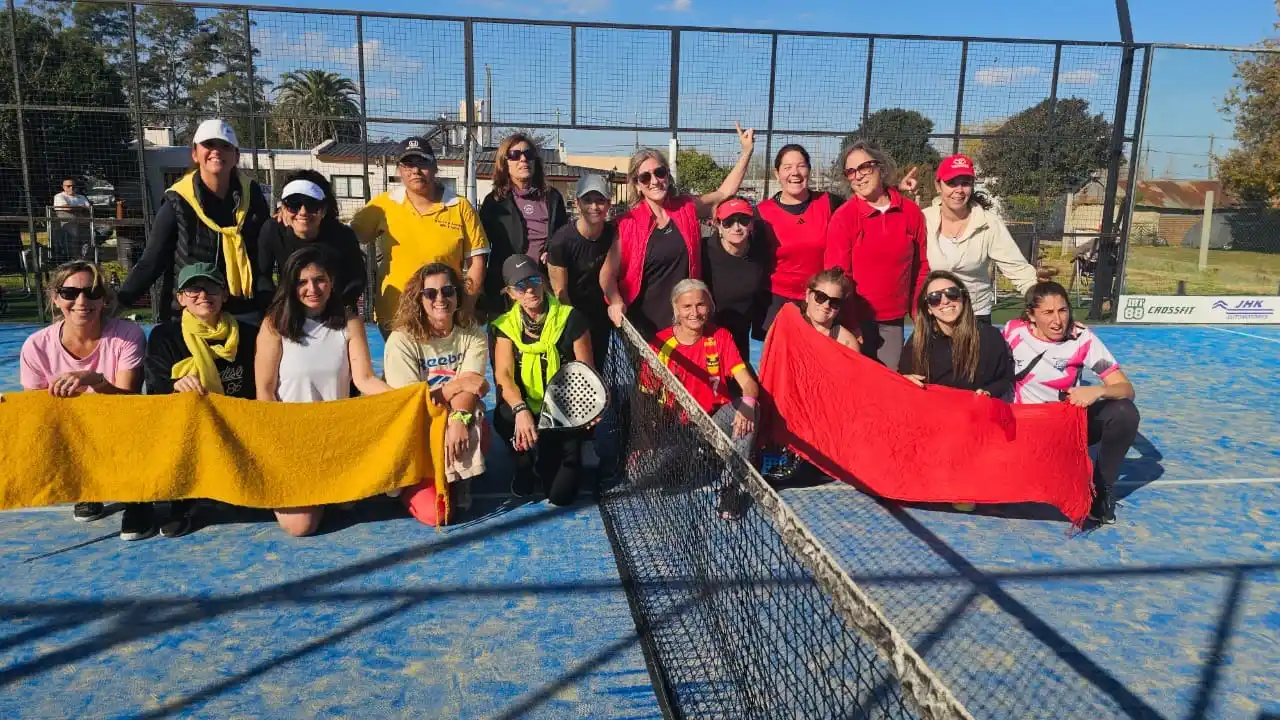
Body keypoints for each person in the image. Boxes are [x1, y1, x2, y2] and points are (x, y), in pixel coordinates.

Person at [255, 246, 393, 536]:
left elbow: (365, 379)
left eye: (319, 280)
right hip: (294, 439)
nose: (312, 288)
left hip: (337, 436)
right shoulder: (274, 325)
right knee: (300, 526)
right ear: (291, 286)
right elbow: (265, 394)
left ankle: (331, 487)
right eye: (302, 282)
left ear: (331, 282)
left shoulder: (349, 323)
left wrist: (407, 398)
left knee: (346, 505)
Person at [19, 261, 146, 534]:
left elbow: (129, 404)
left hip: (118, 425)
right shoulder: (36, 346)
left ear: (104, 299)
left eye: (92, 292)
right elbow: (38, 414)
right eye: (69, 293)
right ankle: (84, 482)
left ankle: (138, 492)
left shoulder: (128, 335)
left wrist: (95, 380)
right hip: (72, 432)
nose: (81, 301)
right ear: (55, 297)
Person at [602, 123, 756, 338]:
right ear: (637, 184)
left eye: (659, 173)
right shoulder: (627, 223)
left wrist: (747, 152)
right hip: (645, 325)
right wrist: (616, 302)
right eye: (645, 177)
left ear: (667, 176)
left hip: (686, 320)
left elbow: (724, 192)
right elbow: (607, 274)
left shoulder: (686, 208)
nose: (654, 181)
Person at [1003, 281, 1139, 524]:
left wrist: (1097, 391)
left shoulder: (1082, 338)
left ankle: (1100, 491)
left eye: (1062, 310)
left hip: (1063, 425)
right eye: (1047, 313)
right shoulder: (1013, 331)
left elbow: (1126, 389)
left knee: (1124, 412)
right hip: (1022, 426)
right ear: (1031, 316)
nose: (1057, 320)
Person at [143, 262, 258, 538]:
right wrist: (176, 384)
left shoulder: (249, 334)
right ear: (180, 298)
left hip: (236, 420)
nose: (203, 295)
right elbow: (156, 382)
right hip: (188, 424)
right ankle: (180, 502)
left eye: (211, 288)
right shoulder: (164, 336)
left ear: (224, 295)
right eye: (193, 289)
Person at [118, 119, 271, 324]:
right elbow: (152, 261)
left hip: (242, 311)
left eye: (225, 146)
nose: (216, 151)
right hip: (188, 313)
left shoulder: (253, 196)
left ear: (236, 156)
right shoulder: (178, 201)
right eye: (208, 145)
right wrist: (119, 303)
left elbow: (264, 257)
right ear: (195, 154)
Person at [384, 262, 490, 525]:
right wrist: (455, 386)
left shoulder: (472, 333)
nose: (440, 299)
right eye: (430, 293)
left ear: (458, 295)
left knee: (480, 428)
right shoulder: (401, 340)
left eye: (447, 291)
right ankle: (408, 482)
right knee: (438, 515)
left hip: (451, 417)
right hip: (417, 429)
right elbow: (412, 406)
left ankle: (459, 477)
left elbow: (473, 385)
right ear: (419, 299)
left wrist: (459, 418)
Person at [351, 137, 489, 333]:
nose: (415, 170)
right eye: (408, 164)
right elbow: (348, 238)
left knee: (444, 366)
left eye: (422, 162)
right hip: (395, 316)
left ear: (435, 167)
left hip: (444, 316)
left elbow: (477, 262)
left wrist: (466, 307)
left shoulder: (460, 207)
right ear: (399, 170)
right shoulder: (382, 206)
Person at [650, 279, 759, 520]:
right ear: (675, 309)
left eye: (700, 305)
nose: (694, 312)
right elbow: (646, 395)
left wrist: (749, 405)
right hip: (678, 426)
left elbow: (748, 383)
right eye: (687, 306)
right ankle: (701, 455)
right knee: (649, 479)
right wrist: (645, 437)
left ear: (709, 306)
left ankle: (731, 488)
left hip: (715, 420)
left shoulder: (720, 336)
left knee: (747, 409)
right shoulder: (660, 344)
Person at [492, 254, 595, 506]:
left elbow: (586, 371)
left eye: (533, 280)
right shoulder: (504, 326)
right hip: (526, 405)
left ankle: (553, 453)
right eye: (520, 286)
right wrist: (520, 410)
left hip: (562, 410)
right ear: (511, 293)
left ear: (542, 281)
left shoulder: (571, 319)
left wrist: (587, 410)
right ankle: (523, 463)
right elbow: (503, 375)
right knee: (505, 417)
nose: (529, 290)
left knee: (560, 496)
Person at [824, 140, 928, 370]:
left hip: (893, 322)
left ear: (880, 167)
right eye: (851, 172)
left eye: (864, 167)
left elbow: (921, 267)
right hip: (854, 323)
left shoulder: (911, 213)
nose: (858, 176)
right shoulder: (844, 217)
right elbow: (838, 277)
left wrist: (919, 315)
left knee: (889, 387)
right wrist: (851, 323)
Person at [922, 155, 1038, 324]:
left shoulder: (989, 223)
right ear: (938, 186)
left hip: (976, 314)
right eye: (952, 183)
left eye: (965, 183)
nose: (959, 190)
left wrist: (1046, 303)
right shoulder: (922, 220)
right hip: (934, 313)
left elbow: (1019, 270)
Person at [480, 133, 570, 312]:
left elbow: (562, 237)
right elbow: (482, 248)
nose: (523, 159)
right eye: (515, 155)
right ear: (505, 162)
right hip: (508, 288)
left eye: (528, 155)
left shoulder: (552, 198)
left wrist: (550, 248)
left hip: (544, 285)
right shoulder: (494, 201)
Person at [257, 172, 366, 311]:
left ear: (324, 210)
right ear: (283, 208)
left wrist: (337, 308)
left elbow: (356, 279)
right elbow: (262, 277)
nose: (303, 212)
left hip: (334, 311)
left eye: (312, 205)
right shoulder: (273, 229)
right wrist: (276, 310)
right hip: (288, 310)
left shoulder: (341, 235)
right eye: (293, 204)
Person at [899, 270, 1013, 397]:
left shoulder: (989, 337)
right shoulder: (918, 341)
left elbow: (1004, 379)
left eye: (952, 293)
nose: (945, 301)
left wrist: (988, 392)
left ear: (963, 298)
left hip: (976, 413)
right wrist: (904, 381)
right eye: (935, 298)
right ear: (929, 309)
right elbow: (904, 377)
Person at [547, 174, 617, 370]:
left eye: (600, 200)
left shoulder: (613, 234)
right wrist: (576, 328)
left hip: (601, 317)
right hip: (571, 316)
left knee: (598, 372)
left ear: (609, 204)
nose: (594, 207)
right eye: (587, 200)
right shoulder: (561, 241)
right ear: (577, 204)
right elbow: (561, 293)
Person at [701, 196, 768, 359]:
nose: (737, 227)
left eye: (743, 220)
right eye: (728, 221)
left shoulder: (760, 250)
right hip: (707, 336)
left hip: (741, 336)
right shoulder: (702, 251)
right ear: (717, 225)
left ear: (751, 224)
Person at [795, 268, 861, 351]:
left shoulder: (847, 344)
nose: (826, 306)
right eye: (821, 297)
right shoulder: (787, 325)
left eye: (835, 302)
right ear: (808, 294)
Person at [52, 178, 92, 262]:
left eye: (73, 186)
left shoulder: (81, 197)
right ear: (63, 187)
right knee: (74, 231)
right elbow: (66, 208)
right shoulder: (59, 196)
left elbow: (89, 209)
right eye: (68, 186)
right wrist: (81, 208)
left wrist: (74, 208)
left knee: (104, 228)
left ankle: (85, 257)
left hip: (84, 222)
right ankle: (74, 258)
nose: (71, 188)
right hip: (68, 223)